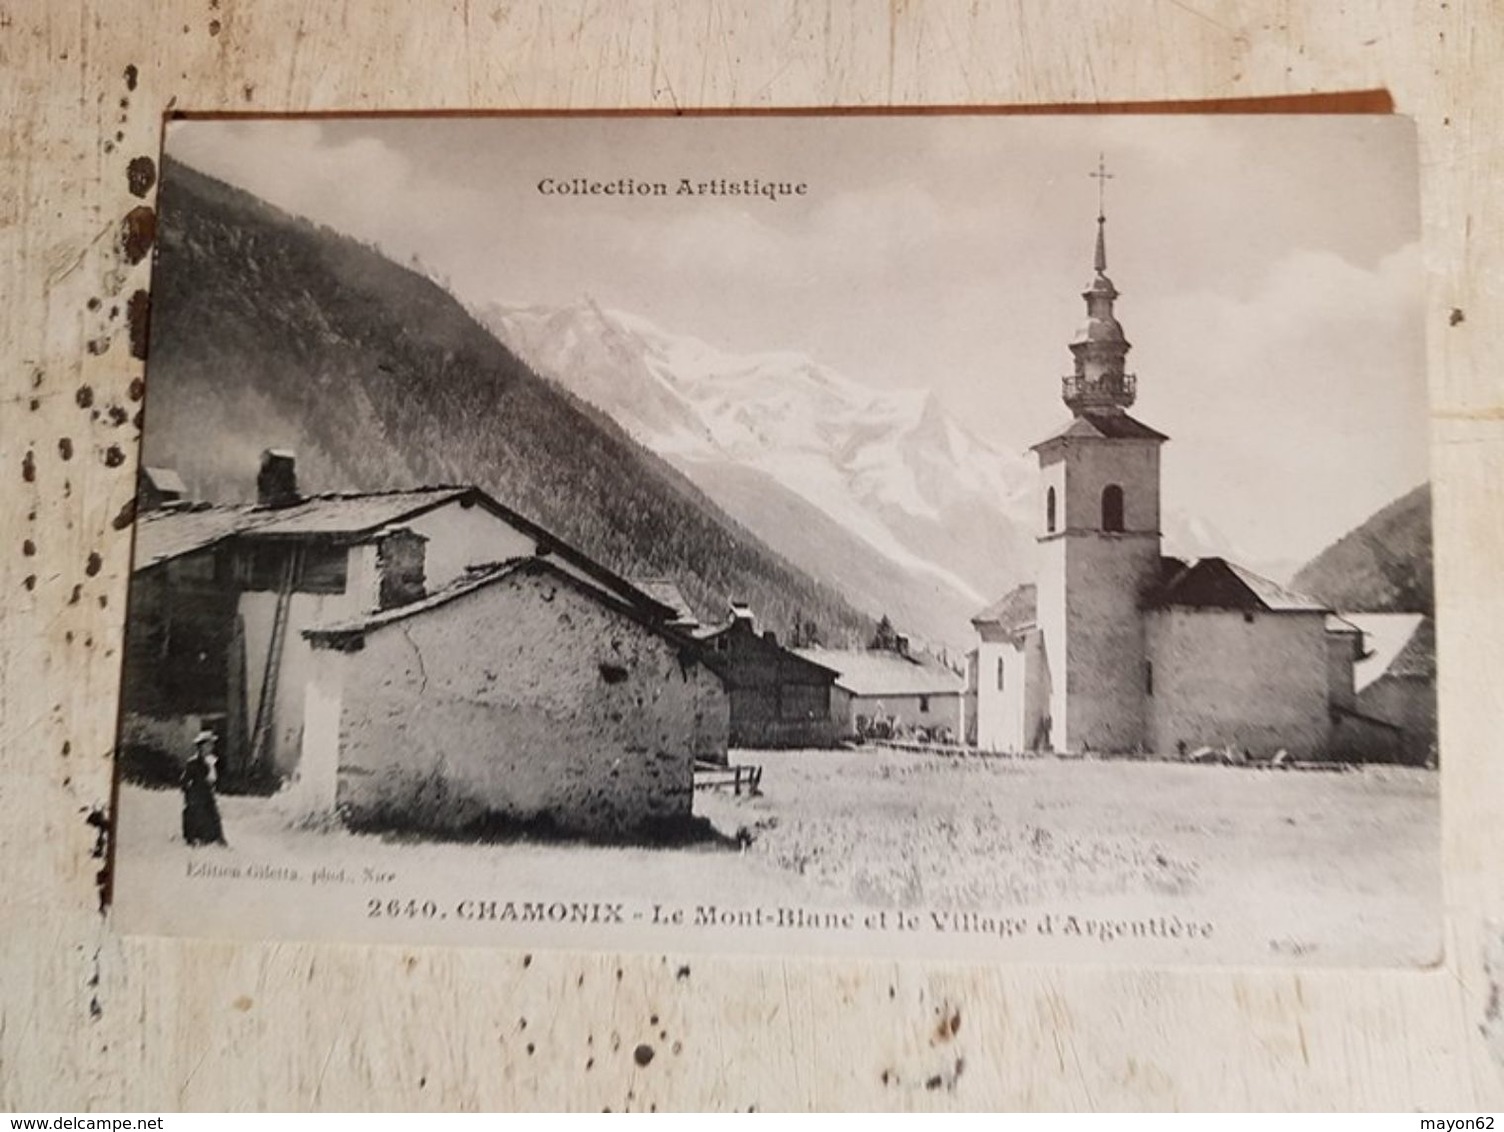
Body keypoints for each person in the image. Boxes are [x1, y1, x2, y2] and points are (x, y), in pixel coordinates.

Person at [181, 730, 226, 846]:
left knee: (213, 815)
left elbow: (215, 778)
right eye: (208, 745)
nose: (210, 747)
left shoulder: (213, 761)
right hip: (196, 794)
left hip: (208, 792)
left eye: (211, 745)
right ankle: (194, 839)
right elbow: (184, 780)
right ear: (201, 747)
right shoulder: (193, 762)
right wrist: (189, 793)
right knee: (195, 815)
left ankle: (217, 839)